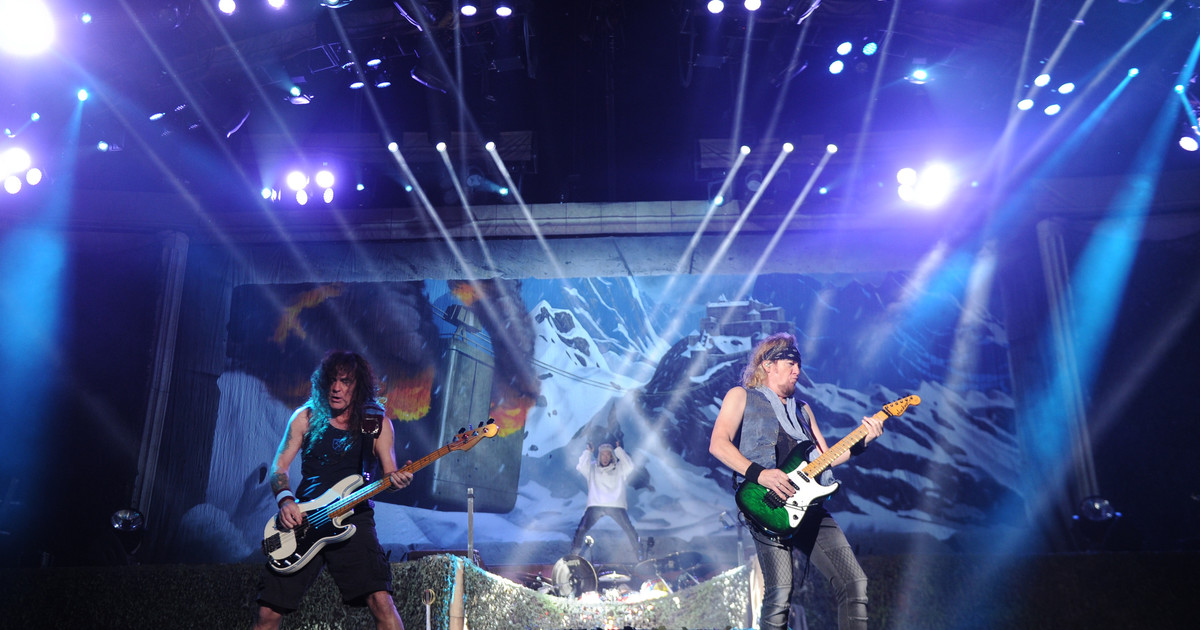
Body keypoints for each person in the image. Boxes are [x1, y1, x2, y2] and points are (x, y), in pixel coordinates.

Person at [708, 333, 883, 630]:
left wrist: (863, 441)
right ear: (768, 364)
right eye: (790, 363)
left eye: (799, 364)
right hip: (767, 504)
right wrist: (759, 473)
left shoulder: (803, 409)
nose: (797, 370)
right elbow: (718, 444)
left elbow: (826, 458)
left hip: (808, 505)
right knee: (779, 594)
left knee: (854, 583)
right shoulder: (741, 396)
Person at [254, 351, 414, 630]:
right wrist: (286, 501)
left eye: (345, 381)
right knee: (267, 613)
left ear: (359, 385)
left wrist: (398, 479)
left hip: (354, 518)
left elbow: (389, 475)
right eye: (332, 380)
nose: (336, 388)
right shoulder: (305, 417)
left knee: (381, 603)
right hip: (305, 520)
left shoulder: (377, 424)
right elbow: (279, 467)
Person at [568, 440, 642, 561]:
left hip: (616, 505)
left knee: (629, 529)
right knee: (581, 529)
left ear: (612, 456)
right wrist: (588, 452)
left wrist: (619, 450)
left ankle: (640, 555)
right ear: (599, 456)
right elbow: (581, 467)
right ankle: (574, 555)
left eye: (608, 454)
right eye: (603, 454)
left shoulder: (619, 468)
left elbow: (630, 466)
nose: (605, 457)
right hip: (596, 505)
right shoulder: (592, 468)